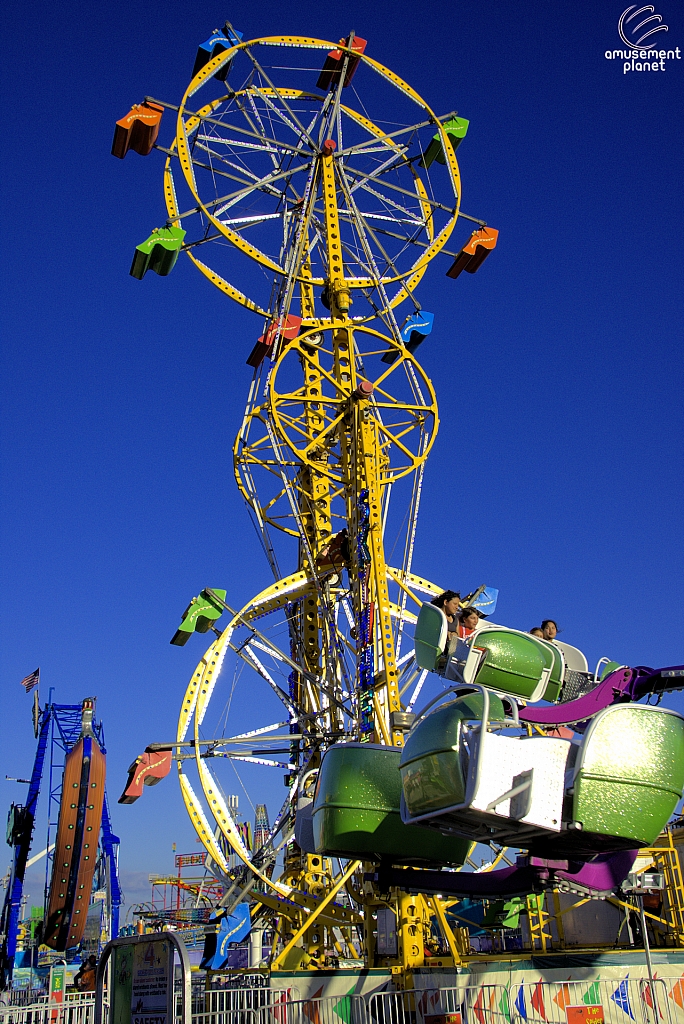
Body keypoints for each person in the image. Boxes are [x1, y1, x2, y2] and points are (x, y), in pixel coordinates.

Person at [430, 590, 461, 662]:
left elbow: (458, 638)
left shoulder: (455, 619)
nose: (457, 607)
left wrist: (454, 634)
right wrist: (446, 633)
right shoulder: (437, 615)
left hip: (450, 652)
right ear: (446, 602)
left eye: (458, 605)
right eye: (455, 604)